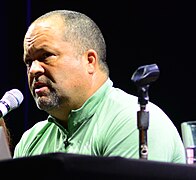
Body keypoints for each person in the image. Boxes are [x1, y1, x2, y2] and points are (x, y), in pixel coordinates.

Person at [13, 9, 186, 163]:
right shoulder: (32, 139)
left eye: (46, 55)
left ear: (89, 61)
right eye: (28, 62)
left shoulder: (132, 122)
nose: (33, 70)